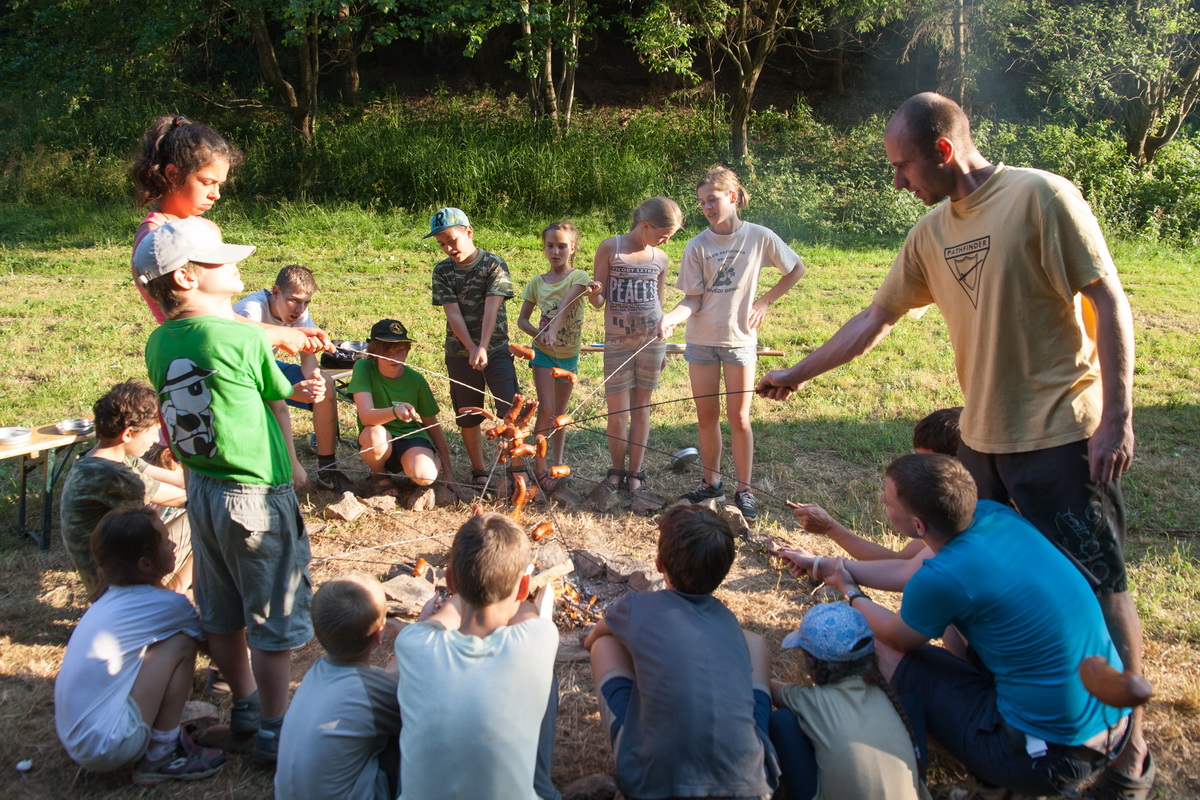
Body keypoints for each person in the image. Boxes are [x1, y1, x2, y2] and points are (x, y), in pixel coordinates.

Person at [756, 92, 1148, 794]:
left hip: (1059, 430)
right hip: (981, 437)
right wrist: (797, 373)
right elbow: (874, 318)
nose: (896, 181)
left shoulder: (1040, 196)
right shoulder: (930, 234)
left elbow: (1108, 300)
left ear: (943, 151)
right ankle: (989, 708)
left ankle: (1129, 746)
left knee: (1099, 579)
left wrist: (1117, 417)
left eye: (903, 166)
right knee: (961, 569)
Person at [801, 454, 1131, 798]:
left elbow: (896, 638)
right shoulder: (993, 514)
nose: (883, 499)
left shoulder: (944, 578)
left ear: (918, 526)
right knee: (955, 626)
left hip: (1046, 758)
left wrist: (852, 594)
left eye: (889, 499)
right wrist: (826, 566)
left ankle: (995, 781)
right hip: (1110, 728)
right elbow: (906, 572)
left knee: (869, 644)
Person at [138, 216, 318, 761]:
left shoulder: (158, 341)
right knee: (272, 613)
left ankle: (244, 706)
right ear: (187, 277)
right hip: (256, 494)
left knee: (220, 608)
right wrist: (306, 376)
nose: (237, 265)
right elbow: (280, 392)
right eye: (222, 259)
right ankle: (275, 728)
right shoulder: (240, 336)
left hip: (203, 491)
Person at [583, 504, 778, 800]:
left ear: (659, 563)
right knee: (753, 643)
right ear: (724, 571)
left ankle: (630, 748)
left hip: (651, 784)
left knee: (605, 645)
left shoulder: (636, 606)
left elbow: (592, 640)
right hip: (748, 785)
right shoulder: (727, 619)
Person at [661, 166, 806, 523]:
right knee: (706, 417)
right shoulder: (697, 245)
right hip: (701, 341)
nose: (707, 207)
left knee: (739, 418)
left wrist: (765, 301)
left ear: (733, 197)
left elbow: (796, 268)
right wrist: (669, 318)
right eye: (701, 202)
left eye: (712, 199)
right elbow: (692, 299)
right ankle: (712, 484)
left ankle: (745, 490)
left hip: (740, 340)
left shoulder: (759, 237)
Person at [131, 114, 329, 356]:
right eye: (207, 182)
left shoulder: (203, 227)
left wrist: (286, 332)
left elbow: (224, 316)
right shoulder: (155, 241)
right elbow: (199, 326)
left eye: (220, 185)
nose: (216, 194)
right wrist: (277, 335)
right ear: (173, 175)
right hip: (200, 356)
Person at [392, 513, 559, 800]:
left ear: (450, 580)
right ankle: (542, 788)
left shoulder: (413, 643)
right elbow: (527, 612)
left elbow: (441, 620)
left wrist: (437, 612)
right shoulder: (539, 640)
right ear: (523, 587)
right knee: (548, 677)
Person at [54, 507, 225, 786]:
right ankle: (163, 753)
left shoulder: (110, 598)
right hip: (109, 744)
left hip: (80, 739)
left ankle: (155, 738)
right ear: (145, 564)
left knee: (170, 641)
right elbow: (217, 648)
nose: (174, 545)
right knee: (181, 643)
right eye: (166, 541)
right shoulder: (169, 605)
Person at [769, 602, 929, 800]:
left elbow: (770, 688)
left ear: (811, 661)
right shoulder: (885, 694)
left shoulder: (812, 700)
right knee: (910, 704)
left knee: (783, 721)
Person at [588, 197, 683, 503]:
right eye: (663, 235)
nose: (666, 241)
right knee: (618, 414)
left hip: (652, 341)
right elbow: (598, 302)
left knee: (642, 409)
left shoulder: (661, 258)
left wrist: (663, 346)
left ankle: (635, 475)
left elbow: (659, 302)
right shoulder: (610, 248)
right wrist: (594, 292)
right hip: (617, 341)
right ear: (645, 226)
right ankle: (616, 471)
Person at [276, 572, 401, 800]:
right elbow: (406, 701)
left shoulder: (316, 673)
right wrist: (417, 637)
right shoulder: (369, 692)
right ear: (380, 633)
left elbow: (384, 679)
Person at [60, 380, 190, 597]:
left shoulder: (108, 457)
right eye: (153, 432)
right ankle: (173, 595)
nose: (156, 440)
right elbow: (182, 499)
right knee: (206, 516)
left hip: (122, 566)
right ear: (128, 434)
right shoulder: (112, 475)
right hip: (117, 584)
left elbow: (178, 480)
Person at [790, 406, 963, 564]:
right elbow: (900, 560)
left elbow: (898, 569)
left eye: (926, 462)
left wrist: (827, 538)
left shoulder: (961, 523)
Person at [427, 207, 518, 494]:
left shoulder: (493, 264)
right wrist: (470, 348)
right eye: (441, 244)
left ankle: (516, 469)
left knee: (510, 410)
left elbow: (493, 305)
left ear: (468, 232)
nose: (448, 248)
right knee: (468, 414)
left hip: (497, 348)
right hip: (459, 352)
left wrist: (483, 346)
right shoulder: (442, 270)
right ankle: (479, 471)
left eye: (452, 240)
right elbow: (452, 313)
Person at [234, 264, 347, 491]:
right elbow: (244, 370)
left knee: (325, 384)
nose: (300, 309)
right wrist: (290, 391)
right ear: (276, 292)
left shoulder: (300, 313)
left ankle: (327, 469)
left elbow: (308, 358)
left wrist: (314, 380)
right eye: (294, 301)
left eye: (306, 303)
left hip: (267, 366)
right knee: (266, 401)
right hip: (241, 373)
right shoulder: (250, 310)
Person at [516, 221, 598, 490]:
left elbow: (569, 304)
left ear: (572, 248)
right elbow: (522, 321)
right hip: (543, 354)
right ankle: (540, 469)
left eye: (562, 246)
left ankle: (557, 464)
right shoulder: (537, 283)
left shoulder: (579, 277)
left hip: (568, 356)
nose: (555, 251)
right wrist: (540, 335)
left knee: (560, 414)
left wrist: (553, 330)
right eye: (550, 246)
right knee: (547, 408)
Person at [347, 319, 455, 496]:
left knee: (425, 477)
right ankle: (379, 476)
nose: (394, 358)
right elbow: (366, 417)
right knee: (374, 434)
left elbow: (433, 425)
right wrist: (395, 412)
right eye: (386, 352)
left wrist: (448, 471)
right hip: (380, 438)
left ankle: (417, 467)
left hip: (411, 438)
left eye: (400, 351)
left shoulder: (416, 380)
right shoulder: (364, 368)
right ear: (375, 352)